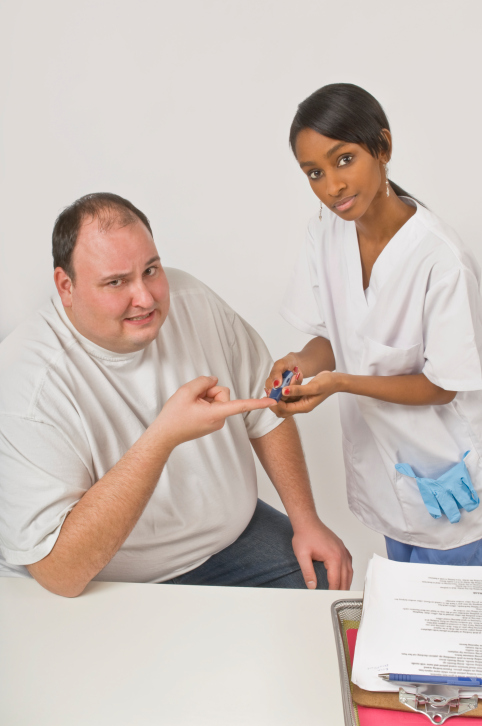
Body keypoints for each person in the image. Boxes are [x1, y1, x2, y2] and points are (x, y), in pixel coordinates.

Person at [0, 192, 352, 597]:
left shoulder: (192, 300)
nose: (145, 298)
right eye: (116, 282)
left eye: (150, 270)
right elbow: (60, 575)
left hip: (228, 541)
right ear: (66, 286)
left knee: (325, 582)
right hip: (108, 578)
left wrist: (307, 522)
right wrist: (162, 437)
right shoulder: (27, 381)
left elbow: (264, 411)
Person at [266, 83, 482, 566]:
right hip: (388, 478)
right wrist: (301, 363)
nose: (332, 186)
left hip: (449, 480)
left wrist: (340, 382)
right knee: (404, 619)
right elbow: (337, 335)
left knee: (457, 634)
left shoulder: (440, 260)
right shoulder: (323, 234)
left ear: (382, 147)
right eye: (314, 173)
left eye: (344, 160)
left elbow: (443, 386)